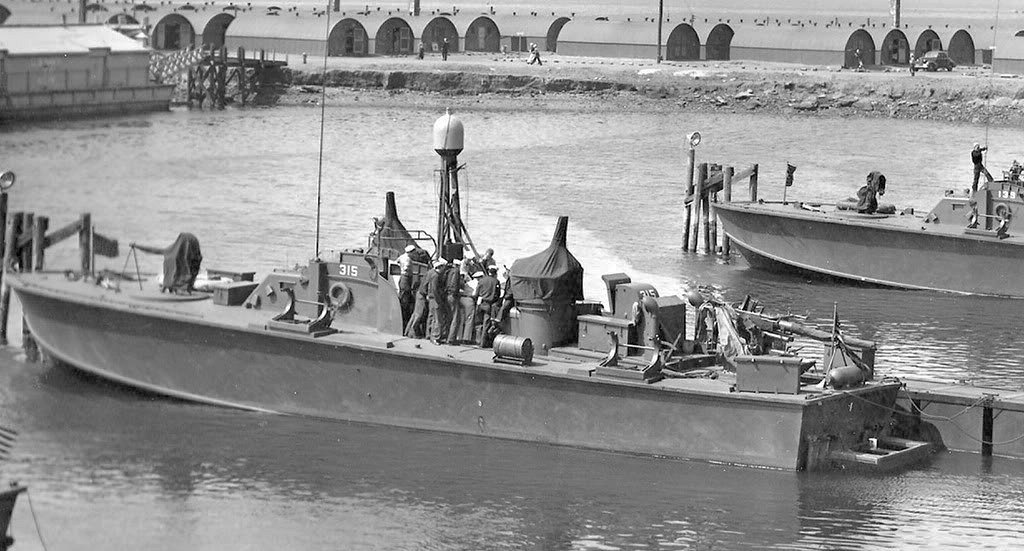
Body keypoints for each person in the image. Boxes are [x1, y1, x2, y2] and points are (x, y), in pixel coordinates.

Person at [426, 259, 451, 343]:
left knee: (433, 318)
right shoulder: (436, 276)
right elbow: (435, 289)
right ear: (440, 267)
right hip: (435, 299)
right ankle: (435, 337)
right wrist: (439, 300)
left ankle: (431, 335)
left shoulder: (432, 274)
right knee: (438, 319)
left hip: (432, 298)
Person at [475, 265, 501, 345]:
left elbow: (476, 293)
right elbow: (498, 294)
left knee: (478, 323)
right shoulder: (496, 281)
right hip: (488, 304)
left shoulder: (482, 280)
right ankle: (483, 343)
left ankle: (477, 340)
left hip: (480, 303)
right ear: (495, 273)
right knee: (486, 324)